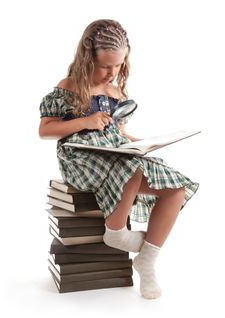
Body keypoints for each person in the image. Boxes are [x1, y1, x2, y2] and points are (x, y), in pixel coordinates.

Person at [39, 19, 199, 299]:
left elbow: (119, 133)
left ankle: (147, 260)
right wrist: (85, 121)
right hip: (80, 157)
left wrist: (146, 143)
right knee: (131, 168)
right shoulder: (70, 87)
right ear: (88, 59)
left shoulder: (117, 93)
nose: (112, 73)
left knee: (176, 186)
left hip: (117, 155)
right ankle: (116, 234)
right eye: (105, 66)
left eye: (118, 65)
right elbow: (46, 130)